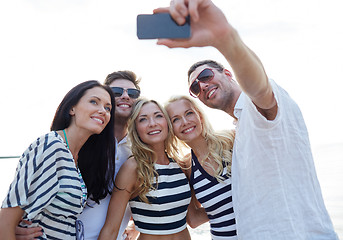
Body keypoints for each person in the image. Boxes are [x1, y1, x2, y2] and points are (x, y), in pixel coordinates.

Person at [155, 0, 339, 239]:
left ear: (228, 74)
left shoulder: (256, 109)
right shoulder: (240, 130)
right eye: (195, 87)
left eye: (207, 75)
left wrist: (225, 39)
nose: (203, 85)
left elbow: (260, 88)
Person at [0, 80, 116, 239]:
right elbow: (5, 219)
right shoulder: (51, 145)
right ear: (71, 108)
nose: (102, 110)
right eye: (94, 101)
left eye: (107, 108)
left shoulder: (74, 158)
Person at [98, 99, 192, 240]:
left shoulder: (180, 165)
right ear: (136, 129)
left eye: (158, 116)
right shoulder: (132, 168)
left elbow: (194, 218)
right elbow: (111, 229)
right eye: (143, 119)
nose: (152, 123)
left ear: (167, 122)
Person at [77, 70, 141, 240]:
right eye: (117, 92)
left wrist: (135, 227)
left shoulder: (140, 151)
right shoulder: (85, 139)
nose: (126, 96)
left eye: (132, 93)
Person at [165, 95, 236, 240]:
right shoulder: (185, 167)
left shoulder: (231, 140)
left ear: (200, 116)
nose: (185, 122)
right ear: (170, 129)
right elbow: (194, 219)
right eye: (175, 119)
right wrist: (221, 209)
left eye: (189, 113)